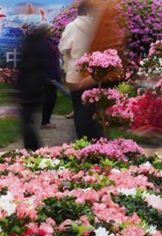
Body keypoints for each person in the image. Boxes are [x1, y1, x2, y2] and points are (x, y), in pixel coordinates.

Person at [59, 0, 99, 140]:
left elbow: (63, 47)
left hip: (76, 73)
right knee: (92, 108)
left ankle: (83, 142)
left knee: (79, 107)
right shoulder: (97, 27)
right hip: (94, 74)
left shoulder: (72, 26)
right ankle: (96, 142)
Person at [16, 21, 55, 150]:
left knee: (26, 119)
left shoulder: (28, 43)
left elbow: (22, 67)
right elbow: (46, 65)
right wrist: (49, 78)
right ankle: (35, 148)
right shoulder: (44, 45)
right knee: (27, 119)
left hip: (26, 86)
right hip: (36, 87)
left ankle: (33, 147)